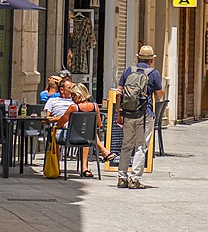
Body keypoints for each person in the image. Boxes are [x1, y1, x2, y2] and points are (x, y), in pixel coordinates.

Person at [117, 44, 163, 190]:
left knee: (126, 145)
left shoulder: (128, 70)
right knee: (140, 147)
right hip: (144, 114)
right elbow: (159, 94)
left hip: (127, 113)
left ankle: (122, 177)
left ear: (137, 58)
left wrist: (119, 113)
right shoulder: (153, 73)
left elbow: (119, 92)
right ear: (151, 60)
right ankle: (135, 179)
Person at [55, 82, 114, 176]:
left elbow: (59, 124)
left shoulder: (74, 107)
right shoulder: (95, 106)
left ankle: (56, 168)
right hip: (87, 139)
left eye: (73, 95)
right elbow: (99, 124)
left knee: (53, 133)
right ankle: (97, 158)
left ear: (79, 95)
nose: (72, 98)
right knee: (88, 132)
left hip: (71, 138)